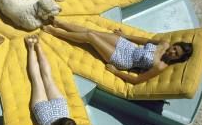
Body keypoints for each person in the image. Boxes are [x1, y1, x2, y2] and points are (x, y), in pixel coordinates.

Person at [18, 36, 108, 125]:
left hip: (46, 108)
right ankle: (32, 47)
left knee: (43, 78)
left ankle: (36, 46)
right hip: (51, 108)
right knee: (40, 78)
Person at [43, 19, 193, 85]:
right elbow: (144, 41)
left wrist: (115, 72)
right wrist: (124, 36)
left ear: (177, 59)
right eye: (175, 48)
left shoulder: (161, 66)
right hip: (128, 46)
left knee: (90, 37)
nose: (172, 52)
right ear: (174, 44)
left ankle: (55, 32)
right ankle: (59, 23)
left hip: (123, 60)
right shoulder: (164, 43)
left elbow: (137, 80)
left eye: (176, 54)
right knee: (92, 31)